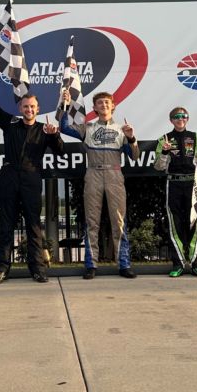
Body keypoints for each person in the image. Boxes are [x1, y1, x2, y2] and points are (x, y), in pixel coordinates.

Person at [0, 63, 63, 284]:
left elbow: (60, 151)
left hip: (31, 178)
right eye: (26, 106)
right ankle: (1, 269)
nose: (29, 110)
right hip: (9, 176)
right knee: (7, 223)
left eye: (33, 107)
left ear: (38, 109)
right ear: (20, 108)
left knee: (33, 225)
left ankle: (37, 269)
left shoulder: (44, 130)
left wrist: (55, 136)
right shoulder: (9, 124)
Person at [60, 88, 138, 279]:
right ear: (94, 107)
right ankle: (91, 264)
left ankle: (124, 264)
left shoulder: (122, 129)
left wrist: (131, 137)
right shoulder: (88, 128)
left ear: (113, 106)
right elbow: (64, 128)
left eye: (107, 102)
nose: (104, 105)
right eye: (100, 102)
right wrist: (65, 105)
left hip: (114, 174)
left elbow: (135, 156)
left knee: (119, 221)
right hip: (93, 172)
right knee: (92, 221)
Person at [154, 106, 197, 278]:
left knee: (194, 223)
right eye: (176, 117)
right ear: (171, 120)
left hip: (193, 184)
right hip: (174, 184)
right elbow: (159, 166)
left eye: (183, 116)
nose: (180, 119)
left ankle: (195, 264)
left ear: (187, 119)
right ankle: (177, 264)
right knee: (175, 224)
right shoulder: (164, 139)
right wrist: (164, 151)